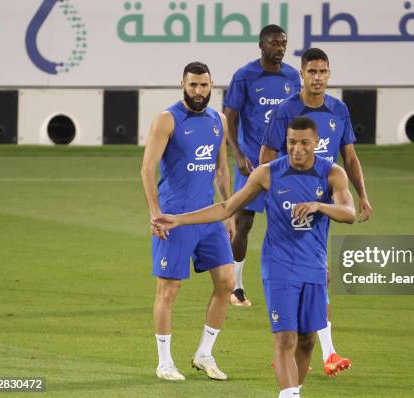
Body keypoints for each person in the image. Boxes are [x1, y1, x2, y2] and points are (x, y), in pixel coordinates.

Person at [153, 116, 356, 398]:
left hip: (314, 266)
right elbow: (226, 207)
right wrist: (178, 219)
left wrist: (318, 205)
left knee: (307, 340)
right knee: (286, 338)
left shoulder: (332, 173)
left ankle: (294, 389)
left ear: (317, 143)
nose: (297, 148)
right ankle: (289, 394)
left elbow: (349, 213)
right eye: (292, 142)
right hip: (279, 267)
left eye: (304, 143)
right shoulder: (268, 173)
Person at [259, 47, 372, 376]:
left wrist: (361, 195)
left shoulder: (339, 110)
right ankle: (310, 348)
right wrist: (279, 196)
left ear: (329, 74)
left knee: (319, 275)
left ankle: (309, 349)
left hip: (324, 203)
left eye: (323, 72)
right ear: (302, 75)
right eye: (312, 72)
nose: (318, 77)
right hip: (291, 208)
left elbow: (348, 156)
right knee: (316, 274)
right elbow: (266, 157)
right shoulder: (285, 112)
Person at [140, 61, 235, 382]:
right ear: (183, 84)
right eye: (193, 85)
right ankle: (164, 362)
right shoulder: (167, 120)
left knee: (227, 283)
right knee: (169, 289)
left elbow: (222, 169)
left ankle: (204, 353)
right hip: (174, 219)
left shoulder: (217, 120)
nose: (198, 91)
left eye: (204, 85)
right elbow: (147, 169)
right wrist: (154, 212)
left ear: (212, 86)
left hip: (209, 217)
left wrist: (230, 210)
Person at [223, 24, 301, 306]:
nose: (279, 47)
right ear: (261, 45)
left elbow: (297, 116)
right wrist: (238, 153)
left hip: (285, 165)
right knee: (244, 223)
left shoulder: (293, 77)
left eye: (283, 42)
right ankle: (235, 286)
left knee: (293, 223)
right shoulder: (245, 76)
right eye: (274, 43)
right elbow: (228, 117)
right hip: (252, 164)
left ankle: (291, 283)